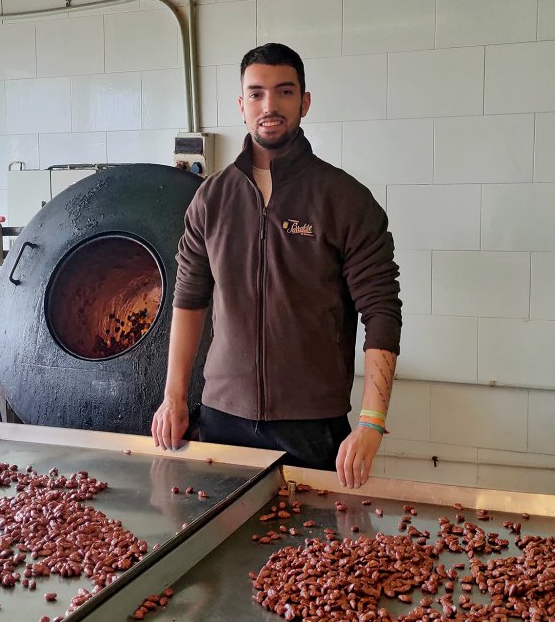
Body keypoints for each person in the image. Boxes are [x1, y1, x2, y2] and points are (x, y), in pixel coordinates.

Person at [151, 43, 401, 489]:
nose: (270, 106)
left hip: (312, 427)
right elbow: (188, 300)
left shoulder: (344, 200)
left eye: (284, 92)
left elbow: (381, 312)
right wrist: (175, 397)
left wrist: (371, 422)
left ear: (304, 101)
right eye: (256, 93)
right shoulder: (211, 199)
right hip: (222, 420)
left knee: (312, 556)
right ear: (241, 105)